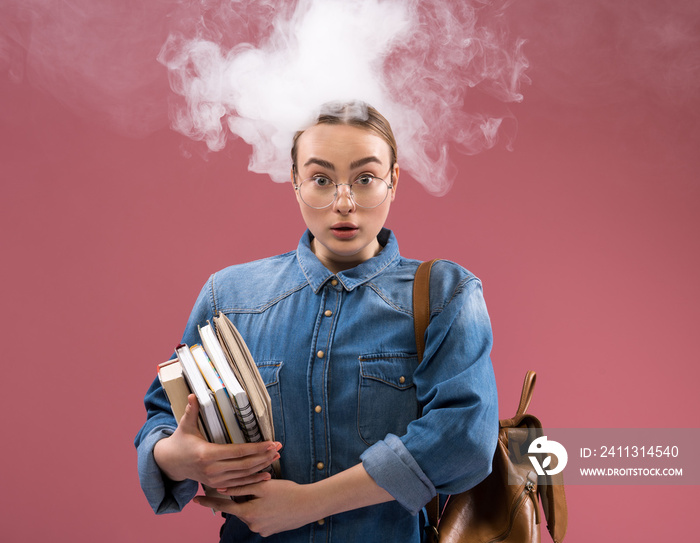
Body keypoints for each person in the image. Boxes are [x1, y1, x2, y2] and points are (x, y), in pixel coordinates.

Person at [135, 101, 498, 542]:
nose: (343, 203)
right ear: (295, 182)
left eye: (365, 179)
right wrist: (179, 456)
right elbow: (162, 418)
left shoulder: (447, 293)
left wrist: (309, 503)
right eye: (321, 180)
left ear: (393, 181)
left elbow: (465, 440)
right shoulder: (228, 296)